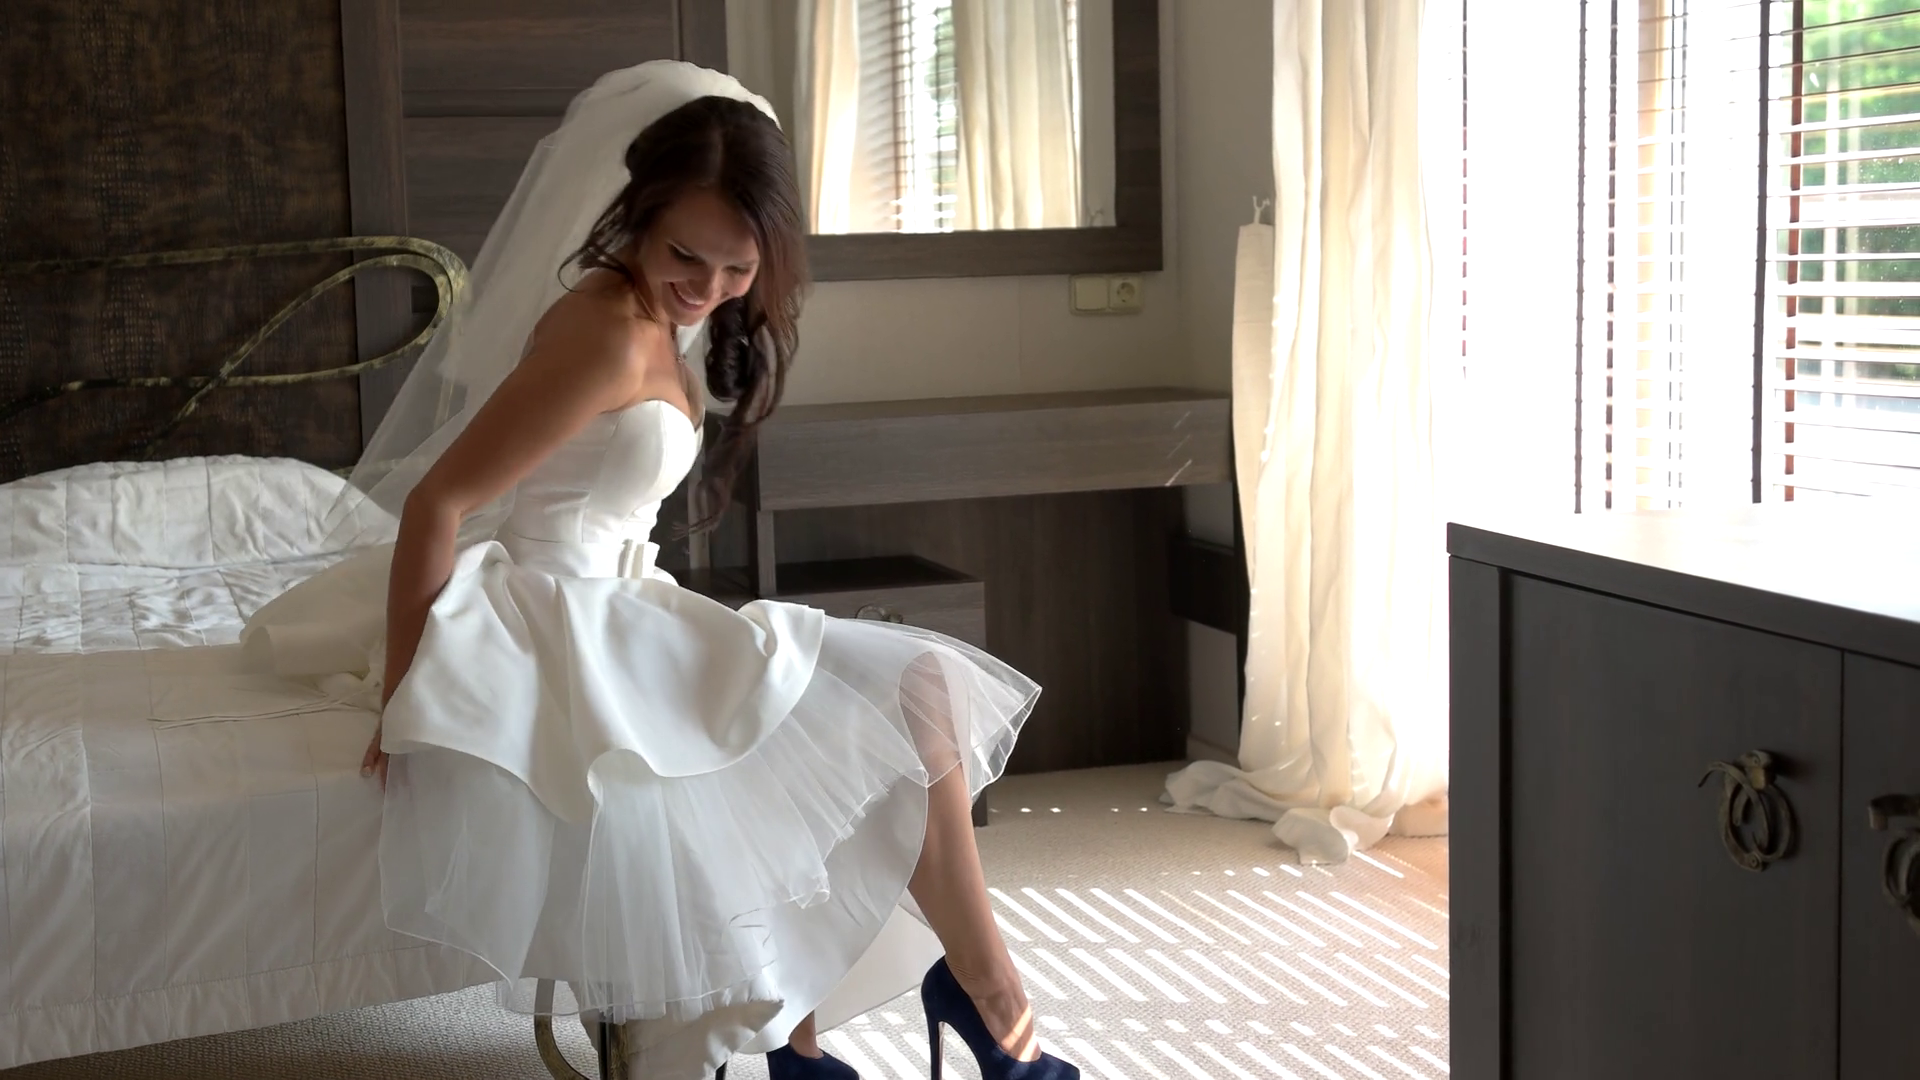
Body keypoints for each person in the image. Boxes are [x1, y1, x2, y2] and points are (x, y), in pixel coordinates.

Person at [240, 61, 1079, 1080]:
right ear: (638, 212)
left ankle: (868, 1023)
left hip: (626, 605)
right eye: (687, 255)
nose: (708, 288)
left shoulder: (660, 318)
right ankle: (976, 1008)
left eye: (737, 269)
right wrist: (409, 694)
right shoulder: (603, 331)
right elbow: (439, 503)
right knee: (885, 704)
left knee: (912, 696)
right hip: (559, 617)